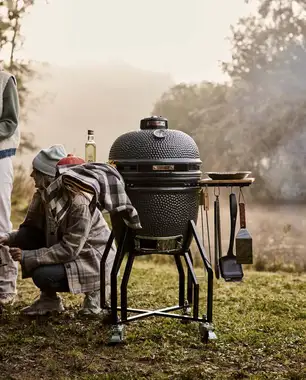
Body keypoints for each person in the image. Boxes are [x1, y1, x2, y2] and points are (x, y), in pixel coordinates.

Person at [1, 147, 116, 316]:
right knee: (26, 241)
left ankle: (97, 291)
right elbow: (30, 231)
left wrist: (28, 257)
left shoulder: (79, 202)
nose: (32, 175)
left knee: (42, 274)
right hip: (68, 251)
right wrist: (7, 238)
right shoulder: (43, 195)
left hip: (91, 259)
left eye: (36, 171)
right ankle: (49, 301)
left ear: (48, 176)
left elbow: (70, 249)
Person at [0, 68, 20, 306]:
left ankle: (6, 286)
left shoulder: (4, 80)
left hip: (0, 158)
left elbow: (10, 122)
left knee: (1, 222)